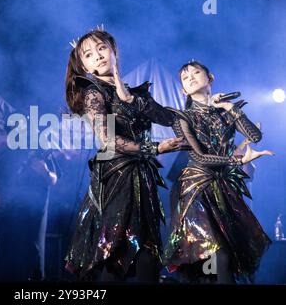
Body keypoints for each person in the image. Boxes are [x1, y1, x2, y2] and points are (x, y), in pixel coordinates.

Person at [63, 28, 186, 283]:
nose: (97, 56)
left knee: (149, 253)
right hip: (116, 178)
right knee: (115, 253)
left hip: (144, 178)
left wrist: (129, 98)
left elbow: (170, 119)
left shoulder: (135, 93)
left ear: (113, 51)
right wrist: (155, 148)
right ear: (85, 66)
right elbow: (108, 141)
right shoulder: (94, 93)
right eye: (88, 54)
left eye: (102, 48)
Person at [163, 61, 273, 284]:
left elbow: (255, 137)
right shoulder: (183, 118)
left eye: (196, 72)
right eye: (185, 77)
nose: (191, 77)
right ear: (183, 90)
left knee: (228, 258)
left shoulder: (225, 111)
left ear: (210, 78)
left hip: (223, 189)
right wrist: (238, 159)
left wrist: (229, 107)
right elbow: (200, 157)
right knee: (217, 254)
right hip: (195, 189)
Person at [0, 147, 61, 281]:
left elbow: (54, 180)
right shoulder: (8, 152)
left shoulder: (42, 152)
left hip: (33, 220)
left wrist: (44, 171)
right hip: (6, 219)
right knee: (6, 263)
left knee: (31, 260)